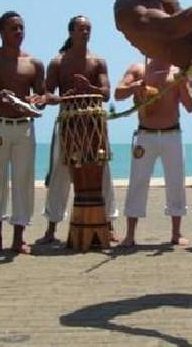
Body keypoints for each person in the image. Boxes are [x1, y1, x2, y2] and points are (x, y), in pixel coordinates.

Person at [35, 16, 118, 245]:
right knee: (59, 174)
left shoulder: (98, 61)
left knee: (102, 173)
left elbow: (105, 93)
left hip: (93, 124)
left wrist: (88, 88)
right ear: (71, 32)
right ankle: (51, 228)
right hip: (68, 122)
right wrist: (63, 96)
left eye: (88, 29)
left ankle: (109, 224)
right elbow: (47, 93)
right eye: (81, 29)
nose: (85, 32)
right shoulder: (58, 62)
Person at [0, 11, 44, 254]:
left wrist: (38, 100)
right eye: (13, 28)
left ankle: (19, 237)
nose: (19, 32)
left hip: (23, 126)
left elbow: (41, 97)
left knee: (23, 180)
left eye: (21, 28)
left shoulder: (34, 63)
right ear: (1, 31)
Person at [114, 55, 192, 247]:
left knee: (176, 182)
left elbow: (191, 106)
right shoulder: (138, 69)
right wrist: (136, 87)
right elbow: (118, 93)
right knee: (137, 182)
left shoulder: (181, 71)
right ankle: (130, 234)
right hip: (145, 134)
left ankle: (176, 233)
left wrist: (182, 84)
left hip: (172, 134)